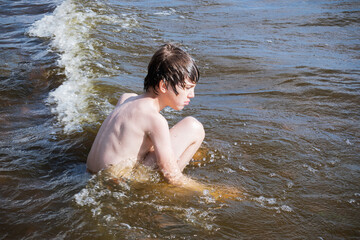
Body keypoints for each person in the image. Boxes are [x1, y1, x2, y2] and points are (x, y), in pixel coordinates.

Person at [86, 43, 206, 189]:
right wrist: (209, 191)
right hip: (119, 185)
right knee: (193, 127)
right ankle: (166, 191)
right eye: (187, 88)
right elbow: (171, 175)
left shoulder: (126, 99)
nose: (192, 95)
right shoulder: (155, 120)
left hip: (90, 174)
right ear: (163, 86)